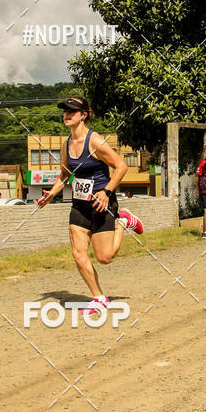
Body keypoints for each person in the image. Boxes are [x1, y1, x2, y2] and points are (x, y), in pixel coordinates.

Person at [37, 97, 143, 313]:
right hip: (80, 205)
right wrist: (52, 193)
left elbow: (121, 167)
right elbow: (66, 174)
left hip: (102, 204)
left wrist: (106, 192)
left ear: (83, 115)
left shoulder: (95, 141)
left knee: (105, 258)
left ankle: (123, 221)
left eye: (72, 111)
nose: (67, 114)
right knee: (78, 253)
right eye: (65, 111)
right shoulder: (66, 144)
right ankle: (99, 298)